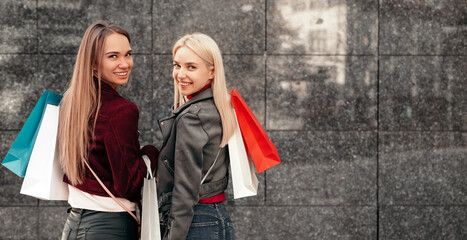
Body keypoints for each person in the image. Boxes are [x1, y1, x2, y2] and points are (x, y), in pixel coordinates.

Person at [57, 21, 158, 240]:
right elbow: (129, 185)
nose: (125, 64)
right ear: (93, 64)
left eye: (128, 54)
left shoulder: (71, 103)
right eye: (113, 56)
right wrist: (151, 153)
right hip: (109, 225)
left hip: (75, 224)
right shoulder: (120, 111)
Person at [156, 33, 236, 239]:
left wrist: (172, 236)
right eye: (177, 65)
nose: (180, 74)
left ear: (212, 72)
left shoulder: (192, 117)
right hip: (219, 217)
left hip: (196, 222)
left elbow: (185, 188)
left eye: (191, 67)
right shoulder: (220, 105)